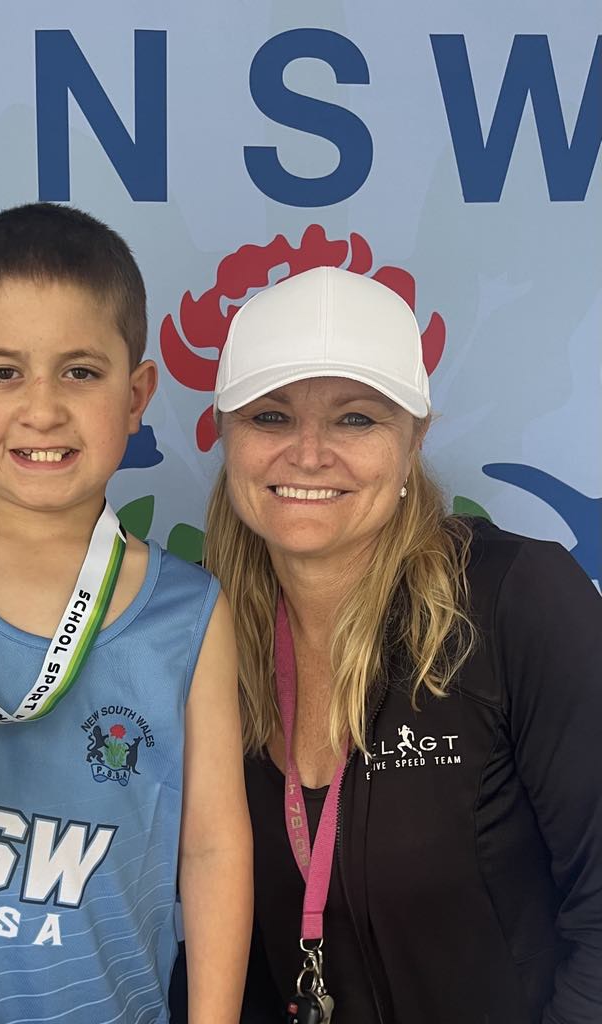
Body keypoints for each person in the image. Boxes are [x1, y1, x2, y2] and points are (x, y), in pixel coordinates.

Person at [0, 203, 252, 1023]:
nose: (43, 408)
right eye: (3, 372)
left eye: (80, 372)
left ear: (136, 397)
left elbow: (212, 848)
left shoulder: (192, 611)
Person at [203, 266, 602, 1023]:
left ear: (415, 436)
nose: (310, 453)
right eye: (271, 417)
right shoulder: (199, 633)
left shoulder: (517, 599)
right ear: (226, 432)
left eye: (356, 419)